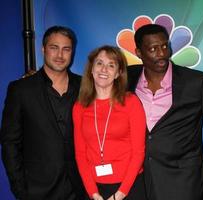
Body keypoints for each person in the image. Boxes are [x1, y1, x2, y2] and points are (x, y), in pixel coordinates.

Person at [127, 24, 203, 200]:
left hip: (184, 183)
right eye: (153, 49)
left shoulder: (196, 83)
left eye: (164, 46)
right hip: (137, 182)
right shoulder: (125, 78)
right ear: (139, 52)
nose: (162, 53)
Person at [0, 26, 88, 199]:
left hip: (80, 189)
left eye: (66, 49)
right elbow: (10, 142)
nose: (60, 55)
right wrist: (21, 190)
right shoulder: (21, 89)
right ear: (43, 49)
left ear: (72, 52)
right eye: (54, 48)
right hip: (37, 190)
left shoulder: (86, 87)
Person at [73, 45, 147, 200]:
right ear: (91, 69)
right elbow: (80, 154)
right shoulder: (80, 106)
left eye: (111, 65)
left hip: (129, 187)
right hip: (95, 189)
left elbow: (138, 152)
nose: (104, 69)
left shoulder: (131, 102)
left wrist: (120, 194)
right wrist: (93, 193)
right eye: (99, 63)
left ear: (118, 73)